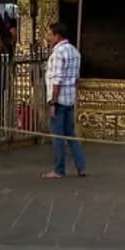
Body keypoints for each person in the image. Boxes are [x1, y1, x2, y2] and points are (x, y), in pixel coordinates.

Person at [41, 22, 87, 179]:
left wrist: (53, 102)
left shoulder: (58, 54)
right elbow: (76, 79)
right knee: (70, 134)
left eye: (49, 34)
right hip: (69, 99)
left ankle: (59, 169)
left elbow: (57, 80)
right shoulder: (75, 52)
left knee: (58, 136)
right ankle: (81, 166)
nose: (47, 37)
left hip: (59, 100)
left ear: (57, 36)